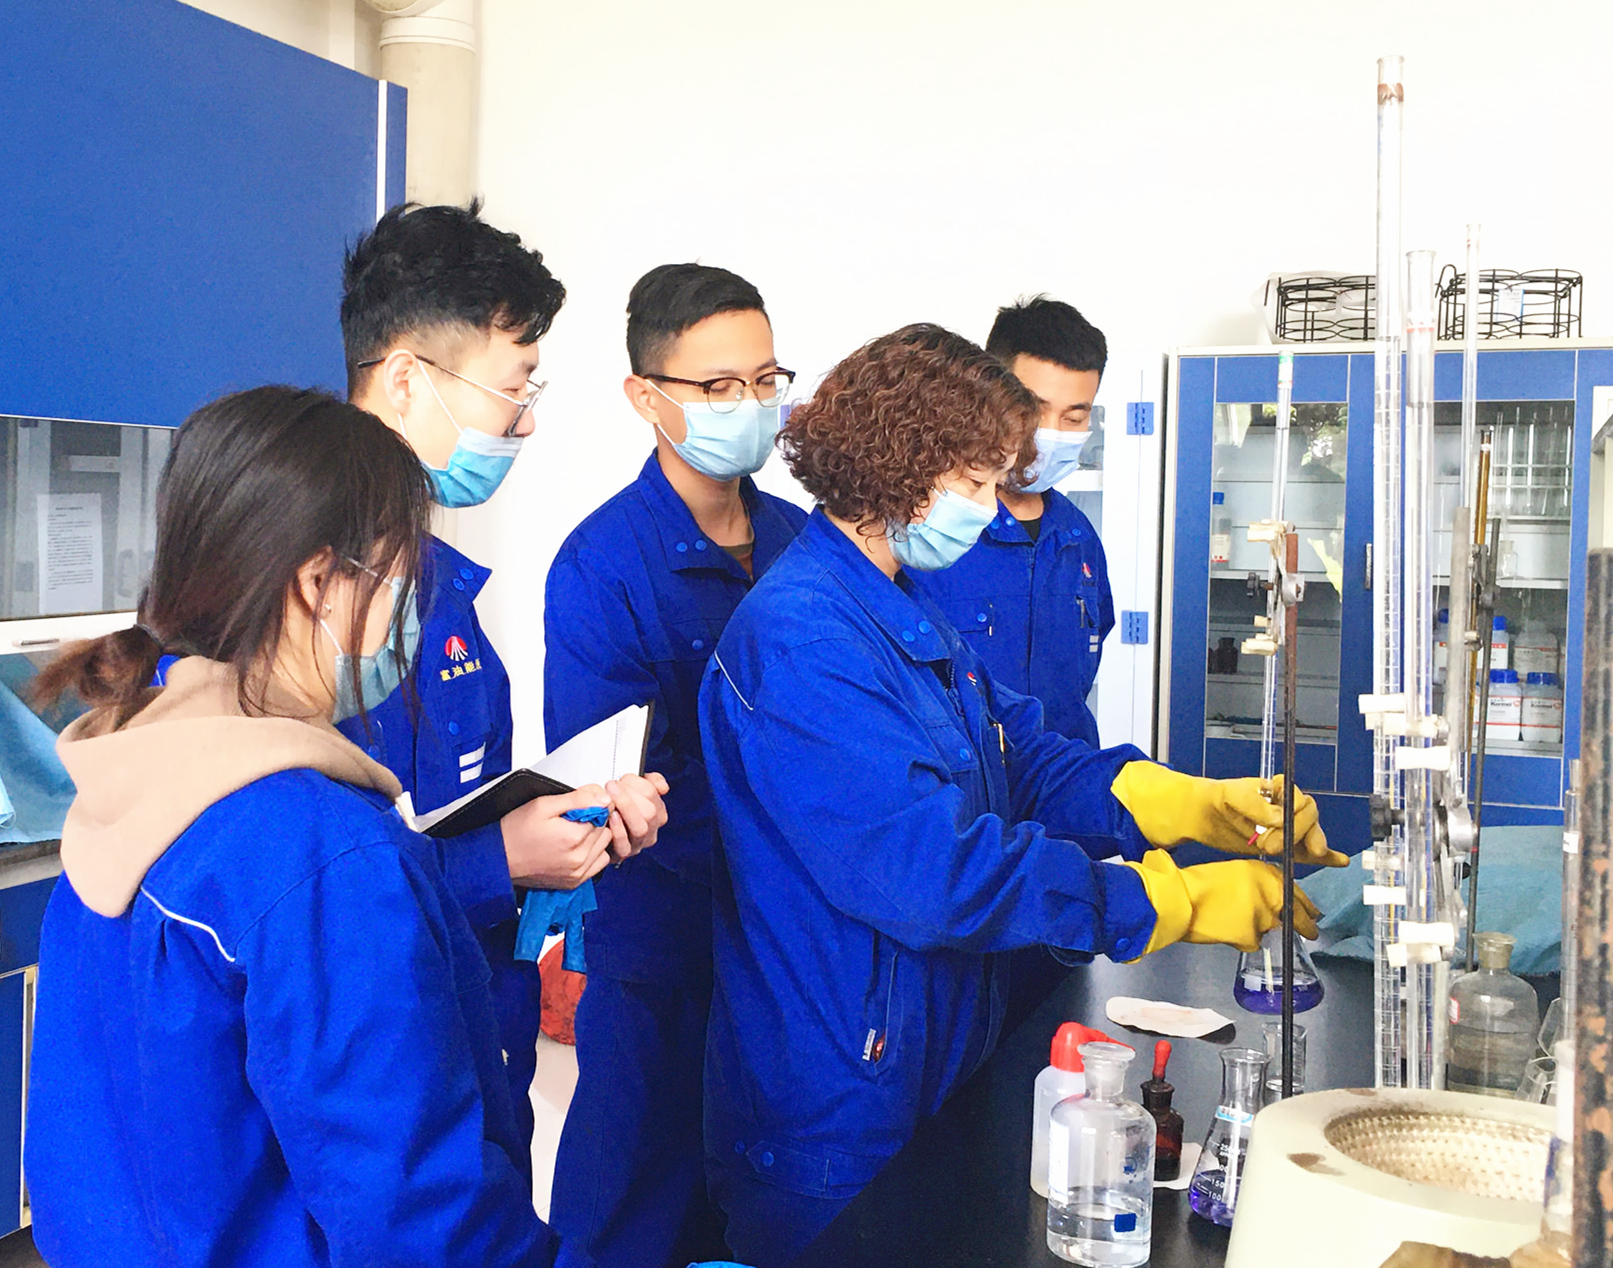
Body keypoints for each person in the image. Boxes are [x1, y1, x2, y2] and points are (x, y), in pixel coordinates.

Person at [697, 324, 1342, 1266]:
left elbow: (1023, 756)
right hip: (836, 1097)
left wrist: (1186, 803)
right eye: (974, 480)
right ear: (897, 467)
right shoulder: (804, 642)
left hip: (927, 1053)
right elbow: (933, 874)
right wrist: (1163, 900)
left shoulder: (897, 602)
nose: (988, 504)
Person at [25, 387, 594, 1265]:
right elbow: (420, 1219)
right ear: (319, 582)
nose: (412, 614)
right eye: (403, 581)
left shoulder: (130, 762)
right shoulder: (318, 851)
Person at [341, 202, 668, 1161]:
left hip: (477, 1042)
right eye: (513, 385)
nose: (524, 420)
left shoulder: (441, 593)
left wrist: (568, 828)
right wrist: (501, 860)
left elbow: (460, 812)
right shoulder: (308, 613)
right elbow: (313, 889)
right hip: (377, 1076)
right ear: (408, 379)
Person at [544, 264, 808, 1268]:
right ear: (645, 396)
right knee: (630, 1212)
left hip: (790, 950)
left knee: (759, 1207)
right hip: (661, 955)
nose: (750, 405)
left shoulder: (800, 545)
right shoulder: (602, 565)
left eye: (765, 380)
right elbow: (610, 791)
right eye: (718, 386)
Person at [916, 295, 1111, 748]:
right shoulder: (932, 529)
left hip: (1065, 778)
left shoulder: (1077, 538)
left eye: (1074, 417)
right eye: (1033, 408)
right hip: (960, 781)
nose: (1049, 433)